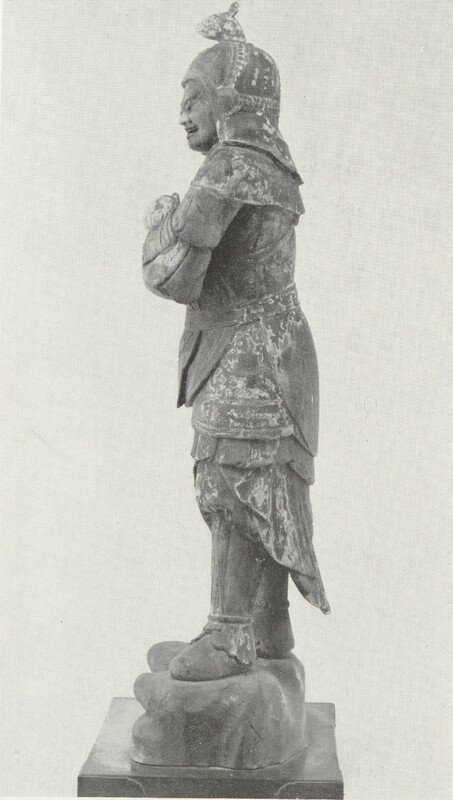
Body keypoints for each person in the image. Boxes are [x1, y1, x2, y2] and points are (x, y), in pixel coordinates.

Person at [142, 2, 330, 682]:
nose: (183, 112)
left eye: (194, 97)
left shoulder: (229, 167)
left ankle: (228, 634)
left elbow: (175, 278)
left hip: (251, 355)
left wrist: (159, 221)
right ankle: (266, 626)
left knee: (233, 482)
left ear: (230, 100)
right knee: (259, 483)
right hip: (271, 348)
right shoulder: (268, 161)